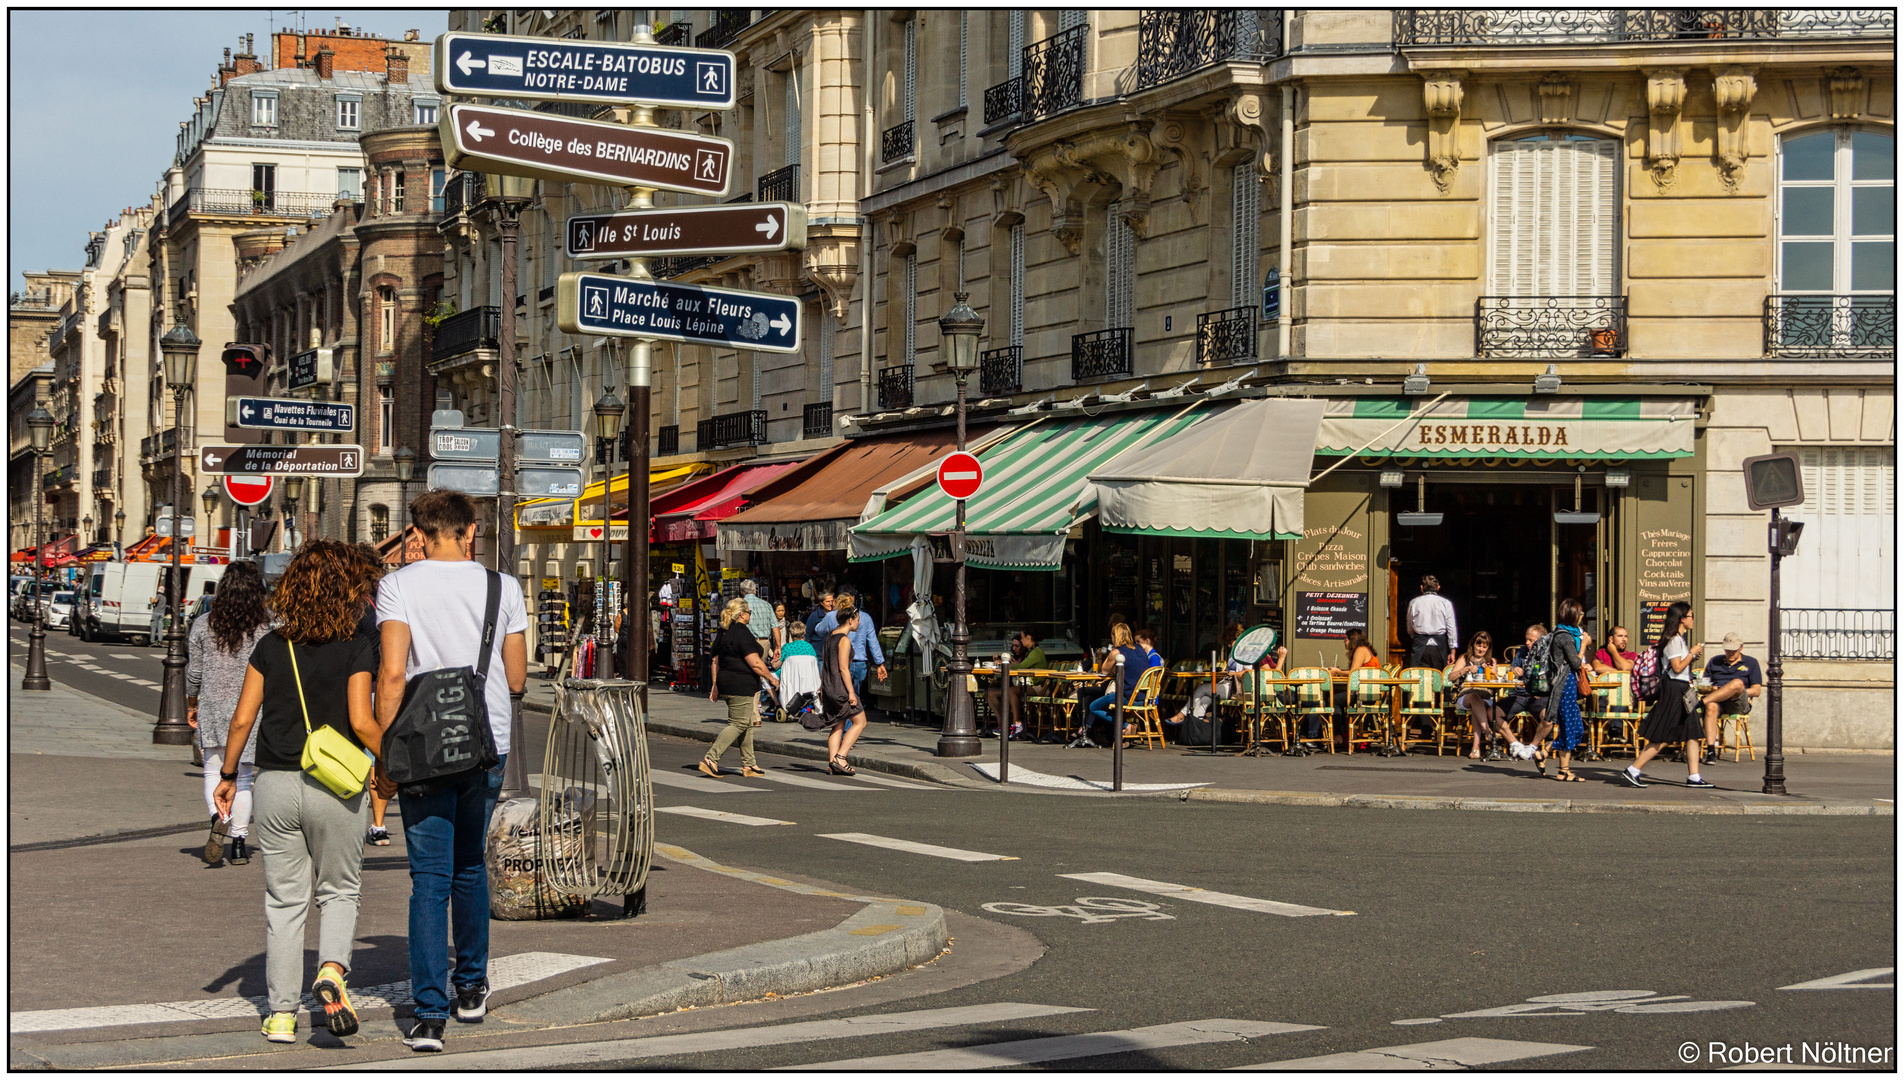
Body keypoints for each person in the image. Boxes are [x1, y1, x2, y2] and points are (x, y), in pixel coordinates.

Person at [375, 490, 528, 1052]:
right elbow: (515, 678)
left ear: (418, 534)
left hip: (420, 746)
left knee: (429, 877)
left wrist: (383, 751)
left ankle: (429, 1015)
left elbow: (392, 675)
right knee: (470, 866)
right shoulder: (503, 587)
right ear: (469, 532)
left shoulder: (397, 585)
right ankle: (471, 989)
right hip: (485, 743)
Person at [213, 541, 383, 1044]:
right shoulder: (357, 644)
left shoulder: (271, 645)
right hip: (336, 786)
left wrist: (227, 775)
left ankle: (282, 1015)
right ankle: (331, 973)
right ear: (347, 588)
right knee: (339, 891)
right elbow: (360, 719)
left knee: (285, 903)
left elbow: (244, 717)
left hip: (275, 784)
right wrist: (393, 763)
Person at [187, 560, 271, 867]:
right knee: (244, 779)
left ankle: (217, 815)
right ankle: (238, 843)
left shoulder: (203, 624)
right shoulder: (266, 628)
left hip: (212, 704)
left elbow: (194, 672)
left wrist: (191, 703)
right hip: (251, 709)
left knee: (213, 771)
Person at [1621, 602, 1708, 789]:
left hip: (1682, 688)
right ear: (1682, 618)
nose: (1693, 619)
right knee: (1664, 733)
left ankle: (1694, 776)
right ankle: (1633, 769)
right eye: (1691, 616)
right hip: (1675, 689)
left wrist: (1691, 656)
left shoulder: (1678, 640)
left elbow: (1679, 665)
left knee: (1692, 732)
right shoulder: (1674, 640)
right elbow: (1677, 667)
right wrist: (1691, 654)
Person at [703, 598, 778, 777]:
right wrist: (772, 679)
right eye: (749, 612)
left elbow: (715, 660)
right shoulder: (742, 633)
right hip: (741, 683)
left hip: (727, 683)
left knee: (746, 724)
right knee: (739, 723)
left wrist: (714, 684)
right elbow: (755, 663)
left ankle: (749, 764)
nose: (750, 615)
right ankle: (711, 758)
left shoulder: (724, 632)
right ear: (742, 614)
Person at [1541, 600, 1591, 782]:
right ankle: (1564, 770)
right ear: (1571, 614)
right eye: (1579, 612)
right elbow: (1576, 663)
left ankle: (1545, 752)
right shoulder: (1564, 636)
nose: (1582, 615)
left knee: (1575, 728)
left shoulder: (1570, 634)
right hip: (1564, 687)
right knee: (1570, 727)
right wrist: (1584, 645)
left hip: (1569, 686)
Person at [812, 587, 888, 705]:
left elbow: (818, 630)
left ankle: (847, 722)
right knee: (854, 697)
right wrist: (879, 663)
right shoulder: (865, 617)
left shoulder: (832, 616)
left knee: (842, 698)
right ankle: (851, 721)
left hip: (838, 662)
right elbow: (873, 642)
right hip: (859, 663)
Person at [819, 597, 870, 773]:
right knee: (860, 721)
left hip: (828, 686)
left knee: (838, 724)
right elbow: (843, 668)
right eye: (857, 619)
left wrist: (821, 686)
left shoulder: (829, 636)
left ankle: (832, 763)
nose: (859, 622)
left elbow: (825, 664)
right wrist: (851, 693)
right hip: (840, 687)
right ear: (850, 620)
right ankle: (841, 756)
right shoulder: (844, 640)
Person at [1700, 632, 1763, 764]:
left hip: (1738, 702)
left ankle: (1700, 703)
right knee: (1710, 707)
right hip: (1718, 701)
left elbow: (1756, 690)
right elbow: (1704, 684)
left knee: (1737, 683)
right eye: (1728, 650)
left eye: (1734, 650)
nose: (1731, 653)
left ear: (1741, 648)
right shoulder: (1715, 661)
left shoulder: (1751, 663)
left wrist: (1733, 690)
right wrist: (1712, 690)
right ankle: (1711, 751)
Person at [1086, 623, 1153, 743]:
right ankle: (1112, 735)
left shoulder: (1117, 652)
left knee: (1093, 706)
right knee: (1106, 699)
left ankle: (1125, 726)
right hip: (1145, 697)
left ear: (1114, 636)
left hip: (1128, 697)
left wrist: (1106, 654)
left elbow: (1104, 671)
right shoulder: (1140, 649)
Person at [1447, 630, 1508, 760]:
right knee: (1474, 697)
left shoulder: (1491, 661)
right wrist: (1466, 669)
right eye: (1478, 645)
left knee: (1477, 704)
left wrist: (1491, 672)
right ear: (1473, 644)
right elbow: (1450, 677)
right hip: (1466, 695)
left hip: (1486, 695)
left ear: (1488, 648)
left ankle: (1476, 747)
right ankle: (1487, 730)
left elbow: (1497, 681)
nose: (1481, 649)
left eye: (1484, 647)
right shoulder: (1464, 658)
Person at [1493, 623, 1548, 762]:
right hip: (1520, 694)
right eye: (1527, 639)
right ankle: (1515, 744)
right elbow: (1510, 669)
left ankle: (1532, 747)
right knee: (1492, 713)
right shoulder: (1523, 651)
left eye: (1531, 640)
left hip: (1538, 696)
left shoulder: (1549, 653)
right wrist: (1514, 670)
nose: (1527, 643)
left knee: (1548, 717)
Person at [986, 629, 1047, 735]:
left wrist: (1004, 664)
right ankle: (1003, 724)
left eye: (1022, 638)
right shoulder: (1030, 651)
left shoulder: (1036, 652)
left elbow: (1020, 667)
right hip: (1024, 685)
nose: (1022, 640)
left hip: (1038, 687)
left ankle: (1017, 724)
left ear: (1028, 638)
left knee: (1012, 691)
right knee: (990, 693)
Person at [1405, 574, 1458, 670]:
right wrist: (1452, 651)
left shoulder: (1414, 603)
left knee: (1418, 678)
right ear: (1438, 588)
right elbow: (1451, 628)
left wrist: (1415, 637)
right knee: (1438, 678)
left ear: (1421, 588)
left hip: (1419, 647)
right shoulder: (1446, 603)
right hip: (1439, 648)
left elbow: (1409, 626)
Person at [776, 621, 821, 721]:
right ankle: (807, 709)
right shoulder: (809, 647)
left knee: (769, 678)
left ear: (791, 634)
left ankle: (778, 704)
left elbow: (776, 665)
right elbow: (815, 663)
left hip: (790, 679)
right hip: (807, 680)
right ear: (804, 633)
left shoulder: (787, 648)